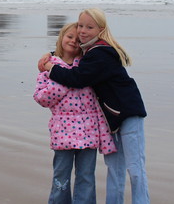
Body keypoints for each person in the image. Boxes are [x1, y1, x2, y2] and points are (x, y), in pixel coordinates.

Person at [38, 8, 150, 204]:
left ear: (100, 29)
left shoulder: (100, 52)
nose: (82, 31)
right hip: (111, 117)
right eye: (80, 25)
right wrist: (51, 54)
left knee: (135, 167)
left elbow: (77, 77)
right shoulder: (89, 52)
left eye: (89, 27)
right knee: (114, 167)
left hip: (128, 112)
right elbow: (69, 52)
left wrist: (50, 66)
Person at [34, 22, 116, 204]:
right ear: (61, 37)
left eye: (78, 40)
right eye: (69, 36)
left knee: (86, 178)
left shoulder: (86, 66)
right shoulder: (48, 67)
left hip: (89, 132)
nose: (73, 41)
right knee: (61, 177)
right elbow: (41, 99)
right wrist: (63, 79)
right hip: (62, 132)